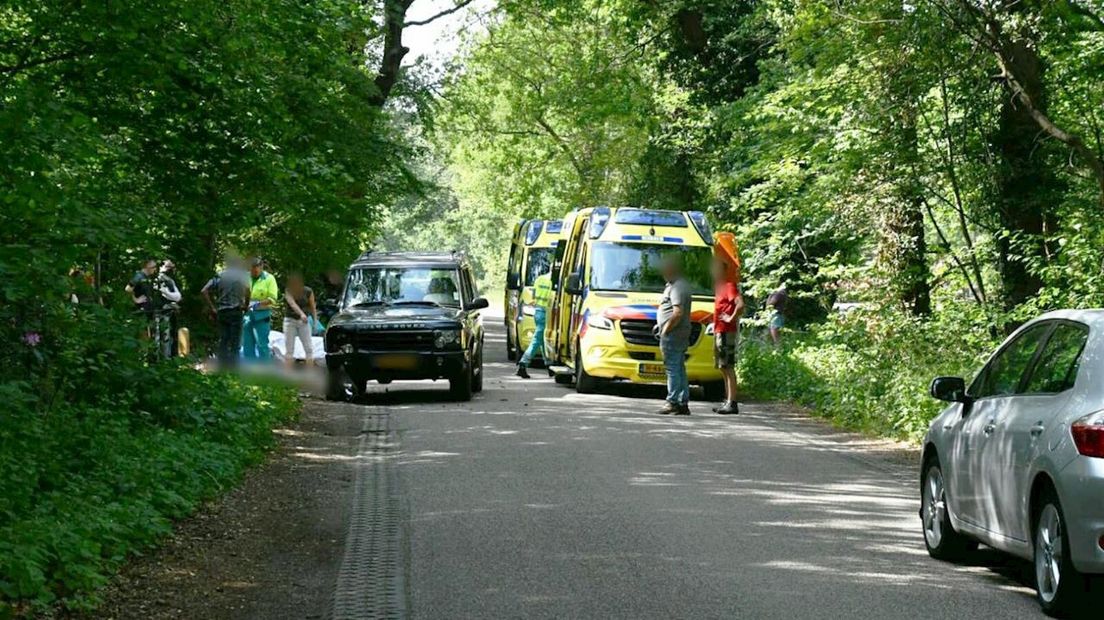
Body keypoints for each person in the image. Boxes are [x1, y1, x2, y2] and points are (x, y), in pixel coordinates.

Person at [712, 233, 745, 415]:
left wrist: (730, 318)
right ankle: (727, 399)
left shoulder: (729, 285)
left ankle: (732, 402)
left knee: (728, 366)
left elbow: (740, 304)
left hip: (726, 331)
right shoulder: (719, 287)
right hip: (719, 330)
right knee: (722, 367)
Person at [656, 254, 693, 416]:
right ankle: (683, 401)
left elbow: (677, 313)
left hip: (673, 334)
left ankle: (672, 401)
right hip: (679, 333)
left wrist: (665, 329)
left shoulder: (677, 287)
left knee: (672, 368)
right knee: (679, 367)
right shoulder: (680, 285)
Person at [202, 256, 251, 367]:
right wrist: (246, 304)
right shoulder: (241, 275)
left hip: (221, 311)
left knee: (223, 339)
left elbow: (204, 290)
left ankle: (222, 366)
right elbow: (248, 289)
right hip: (236, 311)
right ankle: (233, 367)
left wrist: (212, 307)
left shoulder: (219, 275)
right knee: (235, 340)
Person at [516, 267, 553, 379]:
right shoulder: (553, 282)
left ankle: (549, 365)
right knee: (537, 339)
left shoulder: (540, 279)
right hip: (547, 313)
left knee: (542, 340)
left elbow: (534, 296)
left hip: (537, 312)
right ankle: (523, 363)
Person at [242, 257, 279, 362]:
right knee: (247, 343)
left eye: (256, 271)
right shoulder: (245, 277)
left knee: (262, 343)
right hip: (247, 315)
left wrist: (256, 304)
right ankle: (249, 369)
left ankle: (264, 370)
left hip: (262, 315)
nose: (254, 273)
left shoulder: (269, 278)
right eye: (252, 271)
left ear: (261, 267)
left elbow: (272, 299)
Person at [283, 273, 318, 368]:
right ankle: (288, 373)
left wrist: (315, 321)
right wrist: (301, 314)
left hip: (304, 322)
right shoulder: (288, 291)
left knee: (309, 348)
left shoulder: (308, 291)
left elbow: (312, 306)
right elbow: (292, 304)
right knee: (289, 349)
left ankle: (309, 373)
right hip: (290, 321)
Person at [152, 260, 182, 359]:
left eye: (170, 267)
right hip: (156, 311)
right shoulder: (156, 279)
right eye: (167, 266)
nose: (169, 269)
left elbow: (177, 296)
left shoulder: (169, 280)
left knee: (165, 336)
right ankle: (159, 360)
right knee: (158, 336)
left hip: (165, 311)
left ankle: (164, 360)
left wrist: (165, 292)